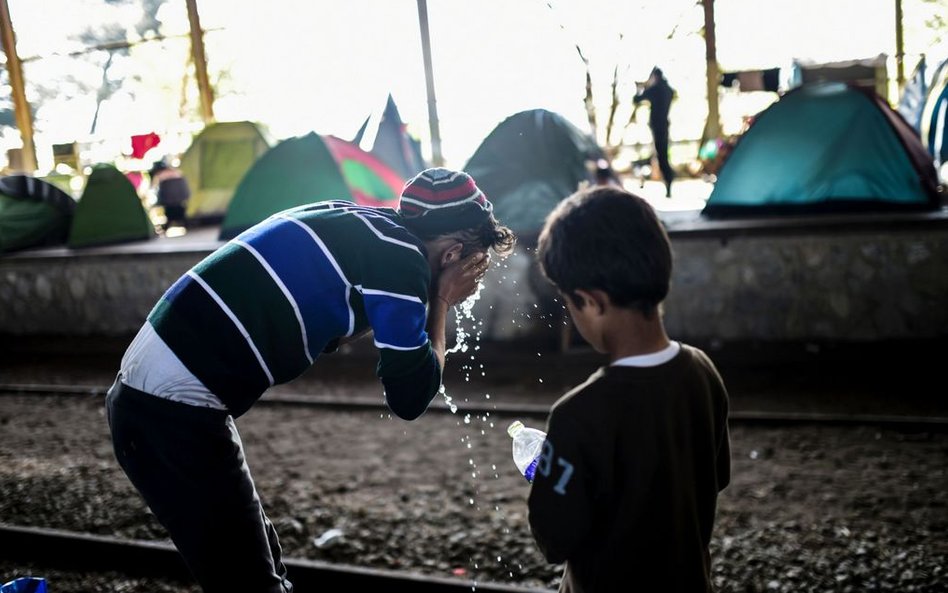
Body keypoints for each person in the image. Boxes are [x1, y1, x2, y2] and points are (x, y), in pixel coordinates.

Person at [105, 167, 515, 593]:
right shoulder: (402, 260)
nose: (474, 280)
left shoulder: (362, 225)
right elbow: (410, 396)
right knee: (251, 585)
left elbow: (331, 330)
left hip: (159, 402)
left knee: (260, 565)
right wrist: (443, 299)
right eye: (474, 266)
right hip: (170, 415)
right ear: (451, 254)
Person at [528, 185, 730, 592]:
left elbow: (555, 537)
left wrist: (546, 473)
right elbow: (716, 477)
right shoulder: (704, 374)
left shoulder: (577, 416)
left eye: (570, 303)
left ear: (590, 301)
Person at [633, 67, 676, 197]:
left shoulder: (656, 89)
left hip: (658, 127)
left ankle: (668, 179)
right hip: (664, 125)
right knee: (662, 155)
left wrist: (641, 88)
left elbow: (637, 99)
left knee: (661, 156)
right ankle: (668, 180)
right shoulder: (668, 89)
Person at [148, 159, 191, 230]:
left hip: (168, 198)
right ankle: (183, 222)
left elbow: (153, 187)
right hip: (181, 196)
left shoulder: (160, 175)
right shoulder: (177, 172)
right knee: (179, 209)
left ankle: (169, 223)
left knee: (169, 209)